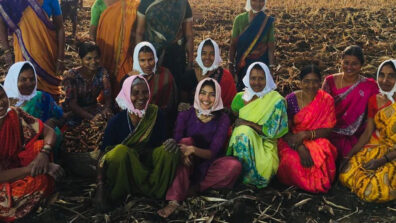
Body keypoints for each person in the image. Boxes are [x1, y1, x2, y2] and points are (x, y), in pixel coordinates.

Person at [157, 78, 242, 218]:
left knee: (234, 166)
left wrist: (193, 149)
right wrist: (185, 152)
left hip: (208, 163)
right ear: (197, 94)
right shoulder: (186, 112)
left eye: (212, 94)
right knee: (186, 141)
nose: (206, 98)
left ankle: (195, 188)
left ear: (218, 96)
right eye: (203, 93)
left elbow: (213, 152)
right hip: (185, 161)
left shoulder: (222, 118)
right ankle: (174, 201)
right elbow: (177, 139)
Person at [94, 75, 179, 211]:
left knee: (170, 152)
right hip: (126, 171)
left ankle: (156, 192)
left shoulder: (156, 115)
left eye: (145, 92)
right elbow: (103, 155)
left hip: (149, 167)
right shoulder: (116, 121)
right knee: (120, 151)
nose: (141, 97)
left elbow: (163, 145)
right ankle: (123, 193)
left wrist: (171, 142)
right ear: (127, 94)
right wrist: (100, 186)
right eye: (135, 93)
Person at [0, 84, 64, 222]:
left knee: (39, 146)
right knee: (7, 201)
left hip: (18, 166)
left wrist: (44, 154)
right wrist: (33, 169)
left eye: (2, 97)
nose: (1, 103)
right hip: (5, 178)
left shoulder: (14, 114)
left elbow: (49, 132)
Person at [339, 60, 396, 202]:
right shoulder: (375, 100)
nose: (385, 80)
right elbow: (367, 133)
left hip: (393, 154)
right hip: (379, 146)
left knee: (372, 191)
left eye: (391, 76)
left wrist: (383, 160)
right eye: (381, 75)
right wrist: (348, 156)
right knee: (346, 175)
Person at [277, 65, 337, 193]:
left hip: (316, 139)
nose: (311, 85)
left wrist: (306, 134)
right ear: (300, 82)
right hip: (292, 140)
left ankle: (316, 183)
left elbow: (328, 129)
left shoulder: (326, 100)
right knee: (291, 159)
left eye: (315, 81)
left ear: (320, 83)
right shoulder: (291, 100)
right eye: (307, 81)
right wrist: (299, 146)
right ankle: (303, 183)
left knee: (325, 149)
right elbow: (283, 130)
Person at [227, 62, 288, 188]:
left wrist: (248, 124)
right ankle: (242, 175)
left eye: (261, 78)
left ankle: (254, 177)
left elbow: (274, 132)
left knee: (244, 129)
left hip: (266, 144)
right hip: (244, 142)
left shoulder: (275, 100)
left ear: (268, 79)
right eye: (253, 78)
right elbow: (233, 120)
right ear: (248, 79)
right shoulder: (239, 98)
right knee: (242, 132)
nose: (257, 83)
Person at [322, 45, 378, 159]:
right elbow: (321, 109)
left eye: (354, 64)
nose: (349, 67)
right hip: (329, 131)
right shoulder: (330, 81)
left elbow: (377, 109)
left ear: (361, 65)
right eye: (346, 62)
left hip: (356, 133)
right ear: (341, 62)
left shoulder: (369, 86)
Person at [0, 0, 65, 97]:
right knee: (25, 85)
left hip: (47, 52)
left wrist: (61, 58)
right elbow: (2, 24)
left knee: (50, 93)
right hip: (24, 51)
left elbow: (60, 27)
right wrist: (7, 51)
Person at [4, 61, 64, 157]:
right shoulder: (4, 104)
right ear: (14, 81)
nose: (29, 83)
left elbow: (61, 117)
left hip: (48, 142)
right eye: (23, 80)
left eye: (32, 79)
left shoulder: (42, 97)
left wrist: (52, 122)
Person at [135, 0, 194, 88]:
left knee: (173, 90)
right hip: (151, 57)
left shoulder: (183, 3)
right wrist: (138, 61)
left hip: (175, 57)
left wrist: (189, 63)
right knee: (151, 90)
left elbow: (189, 35)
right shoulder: (146, 2)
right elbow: (139, 32)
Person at [90, 0, 140, 96]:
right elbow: (93, 29)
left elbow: (138, 29)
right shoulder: (99, 4)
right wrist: (93, 49)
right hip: (107, 49)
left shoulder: (133, 3)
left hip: (126, 50)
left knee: (126, 78)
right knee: (106, 76)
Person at [228, 0, 275, 90]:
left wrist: (271, 69)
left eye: (261, 1)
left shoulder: (267, 22)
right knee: (243, 91)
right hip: (243, 64)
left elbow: (270, 48)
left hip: (261, 64)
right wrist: (230, 65)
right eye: (254, 1)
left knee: (260, 91)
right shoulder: (239, 20)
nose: (258, 4)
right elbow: (233, 45)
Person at [62, 42, 112, 125]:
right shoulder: (72, 76)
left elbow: (108, 96)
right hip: (74, 111)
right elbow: (72, 104)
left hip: (93, 108)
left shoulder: (102, 72)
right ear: (81, 59)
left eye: (96, 58)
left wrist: (106, 110)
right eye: (88, 58)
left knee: (110, 122)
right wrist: (92, 118)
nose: (93, 62)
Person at [181, 38, 237, 107]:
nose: (207, 57)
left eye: (212, 54)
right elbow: (183, 103)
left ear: (217, 56)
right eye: (204, 53)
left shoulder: (225, 77)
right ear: (199, 54)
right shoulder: (189, 76)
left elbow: (231, 105)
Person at [127, 41, 178, 116]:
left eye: (150, 59)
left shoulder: (166, 75)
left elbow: (171, 104)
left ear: (156, 59)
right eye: (142, 60)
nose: (147, 65)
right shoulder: (130, 79)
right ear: (136, 61)